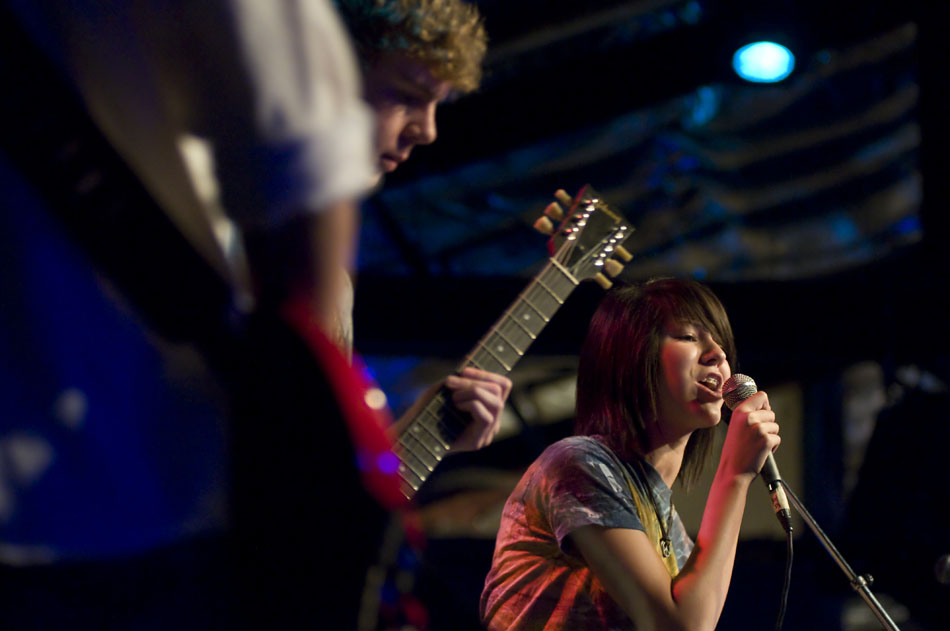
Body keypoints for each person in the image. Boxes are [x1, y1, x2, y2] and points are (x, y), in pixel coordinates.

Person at [480, 278, 782, 630]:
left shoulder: (672, 532)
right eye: (687, 336)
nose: (718, 354)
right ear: (634, 357)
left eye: (721, 345)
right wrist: (735, 476)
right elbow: (681, 626)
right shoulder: (578, 464)